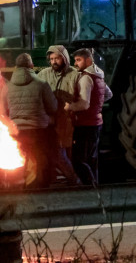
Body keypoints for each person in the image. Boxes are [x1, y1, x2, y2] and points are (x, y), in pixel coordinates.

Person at [3, 53, 57, 188]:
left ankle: (20, 186)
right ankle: (39, 190)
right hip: (38, 130)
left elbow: (1, 111)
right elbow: (54, 107)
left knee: (21, 161)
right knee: (39, 162)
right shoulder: (41, 84)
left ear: (16, 67)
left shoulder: (7, 87)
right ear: (31, 66)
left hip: (16, 132)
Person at [41, 45, 88, 185]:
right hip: (49, 121)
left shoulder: (75, 75)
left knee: (66, 152)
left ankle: (73, 181)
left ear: (65, 58)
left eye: (57, 58)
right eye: (51, 59)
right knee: (52, 152)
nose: (54, 62)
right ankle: (54, 180)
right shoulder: (43, 75)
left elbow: (86, 97)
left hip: (67, 120)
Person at [71, 48, 113, 186]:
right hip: (96, 123)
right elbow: (109, 94)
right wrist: (97, 105)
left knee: (79, 160)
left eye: (78, 60)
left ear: (88, 60)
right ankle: (95, 188)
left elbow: (83, 104)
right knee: (92, 159)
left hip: (85, 124)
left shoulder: (86, 78)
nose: (75, 64)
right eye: (75, 60)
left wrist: (68, 107)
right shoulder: (99, 77)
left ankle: (89, 187)